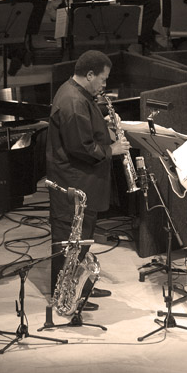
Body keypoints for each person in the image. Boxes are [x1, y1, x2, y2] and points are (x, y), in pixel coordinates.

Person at [47, 50, 131, 311]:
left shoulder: (78, 94)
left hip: (82, 180)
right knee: (70, 240)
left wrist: (102, 123)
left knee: (81, 238)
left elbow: (85, 129)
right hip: (73, 181)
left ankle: (80, 286)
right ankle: (64, 295)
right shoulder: (73, 101)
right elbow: (80, 146)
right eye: (103, 80)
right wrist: (112, 150)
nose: (104, 85)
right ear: (90, 74)